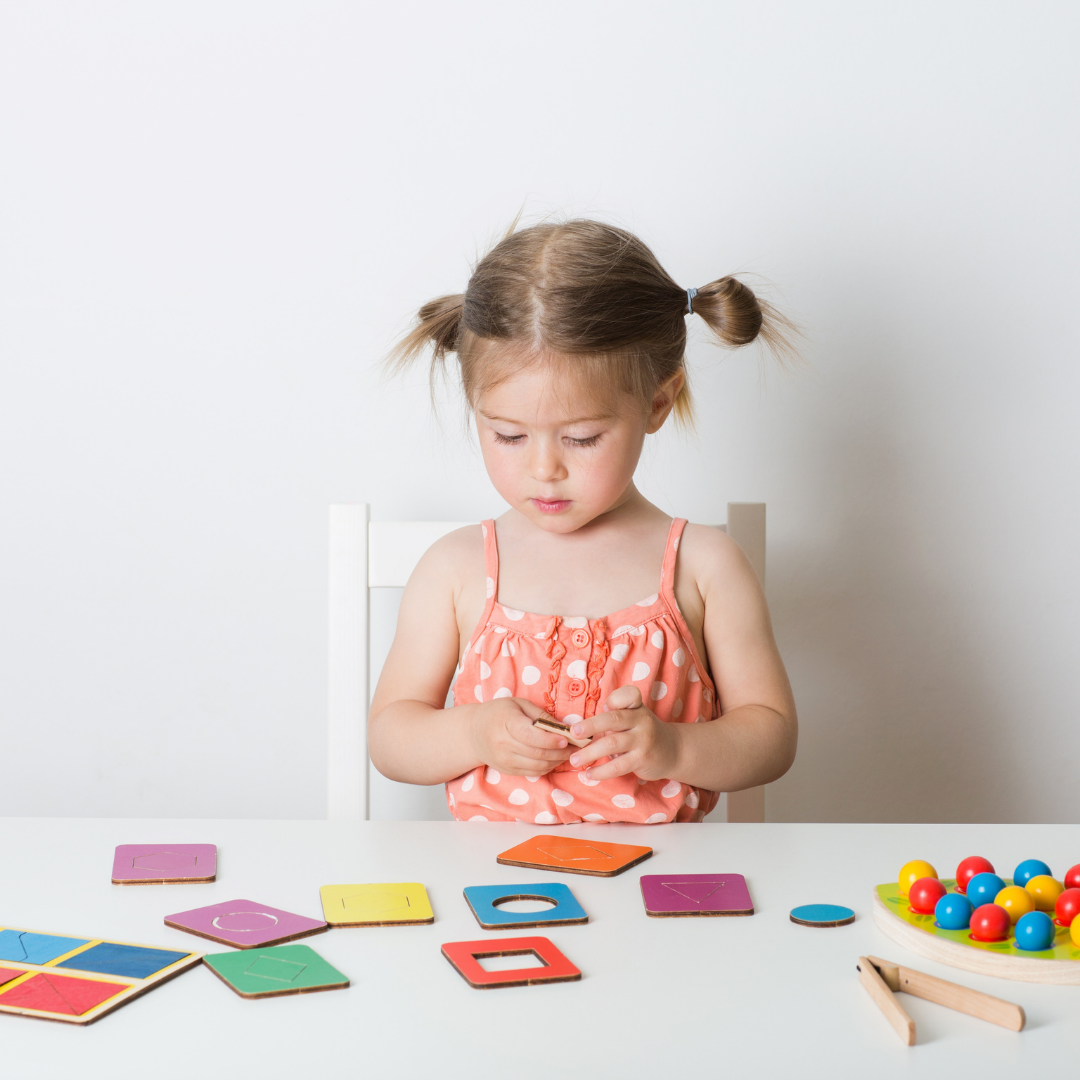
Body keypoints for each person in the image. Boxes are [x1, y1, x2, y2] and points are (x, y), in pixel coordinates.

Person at [368, 219, 797, 823]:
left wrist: (674, 747)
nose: (545, 469)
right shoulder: (457, 568)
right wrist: (474, 734)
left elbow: (771, 736)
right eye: (509, 435)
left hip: (665, 887)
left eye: (582, 437)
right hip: (491, 884)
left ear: (656, 404)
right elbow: (391, 735)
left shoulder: (703, 566)